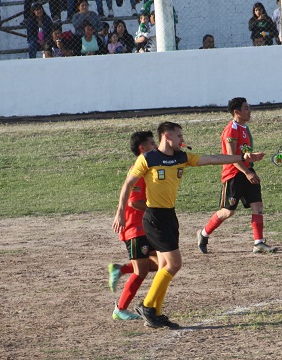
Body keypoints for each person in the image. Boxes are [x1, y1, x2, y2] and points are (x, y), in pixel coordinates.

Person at [112, 121, 265, 329]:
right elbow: (128, 184)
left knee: (165, 266)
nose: (182, 140)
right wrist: (120, 212)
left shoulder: (182, 157)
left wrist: (243, 157)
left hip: (169, 216)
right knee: (174, 264)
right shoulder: (147, 159)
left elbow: (213, 159)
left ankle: (154, 312)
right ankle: (147, 306)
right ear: (166, 136)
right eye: (179, 136)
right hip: (154, 217)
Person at [196, 97, 278, 255]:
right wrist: (246, 172)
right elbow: (231, 157)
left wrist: (252, 158)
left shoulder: (244, 128)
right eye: (246, 108)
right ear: (237, 112)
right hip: (234, 175)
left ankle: (258, 243)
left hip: (248, 172)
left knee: (258, 206)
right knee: (228, 211)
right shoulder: (231, 129)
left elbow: (242, 154)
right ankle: (204, 234)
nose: (249, 111)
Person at [108, 131, 159, 321]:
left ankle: (120, 269)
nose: (156, 146)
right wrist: (156, 210)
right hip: (135, 228)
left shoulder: (148, 169)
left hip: (146, 227)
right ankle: (120, 309)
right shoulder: (137, 170)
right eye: (152, 144)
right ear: (142, 148)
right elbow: (134, 202)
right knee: (142, 271)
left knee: (163, 264)